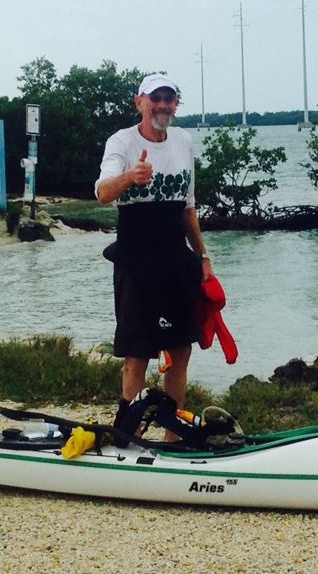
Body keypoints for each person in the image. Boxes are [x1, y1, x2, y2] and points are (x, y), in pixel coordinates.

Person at [95, 73, 212, 418]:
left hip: (176, 258)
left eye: (169, 99)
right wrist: (130, 177)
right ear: (140, 103)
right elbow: (102, 193)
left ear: (176, 104)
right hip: (135, 258)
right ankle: (128, 430)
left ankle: (174, 431)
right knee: (138, 353)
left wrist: (203, 257)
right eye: (155, 98)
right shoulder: (122, 142)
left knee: (180, 349)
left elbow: (188, 206)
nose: (162, 105)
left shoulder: (183, 141)